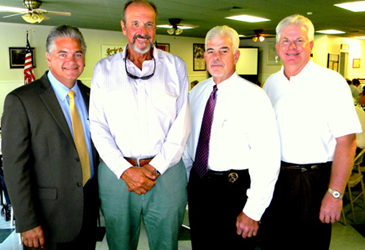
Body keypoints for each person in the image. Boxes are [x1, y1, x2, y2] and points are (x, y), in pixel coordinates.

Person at [89, 1, 190, 249]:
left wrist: (154, 167)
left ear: (155, 28)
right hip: (117, 174)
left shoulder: (175, 66)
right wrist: (124, 169)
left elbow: (182, 124)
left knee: (167, 244)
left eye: (149, 24)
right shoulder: (104, 69)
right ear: (124, 27)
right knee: (120, 244)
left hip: (166, 172)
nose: (142, 31)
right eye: (135, 23)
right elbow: (98, 126)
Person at [261, 14, 361, 250]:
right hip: (275, 179)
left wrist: (335, 194)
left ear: (311, 45)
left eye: (299, 41)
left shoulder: (331, 82)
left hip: (312, 181)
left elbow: (347, 142)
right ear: (277, 46)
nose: (292, 47)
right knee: (273, 242)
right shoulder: (271, 83)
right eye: (286, 41)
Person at [182, 25, 281, 250]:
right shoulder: (197, 93)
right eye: (210, 51)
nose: (216, 57)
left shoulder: (254, 97)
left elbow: (266, 158)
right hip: (200, 190)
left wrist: (253, 210)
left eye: (223, 51)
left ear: (236, 55)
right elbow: (190, 144)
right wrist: (189, 186)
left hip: (234, 193)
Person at [2, 25, 99, 250]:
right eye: (62, 54)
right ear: (48, 58)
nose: (71, 61)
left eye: (77, 54)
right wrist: (27, 221)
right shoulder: (22, 100)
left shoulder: (91, 96)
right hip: (47, 220)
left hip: (88, 211)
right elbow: (14, 167)